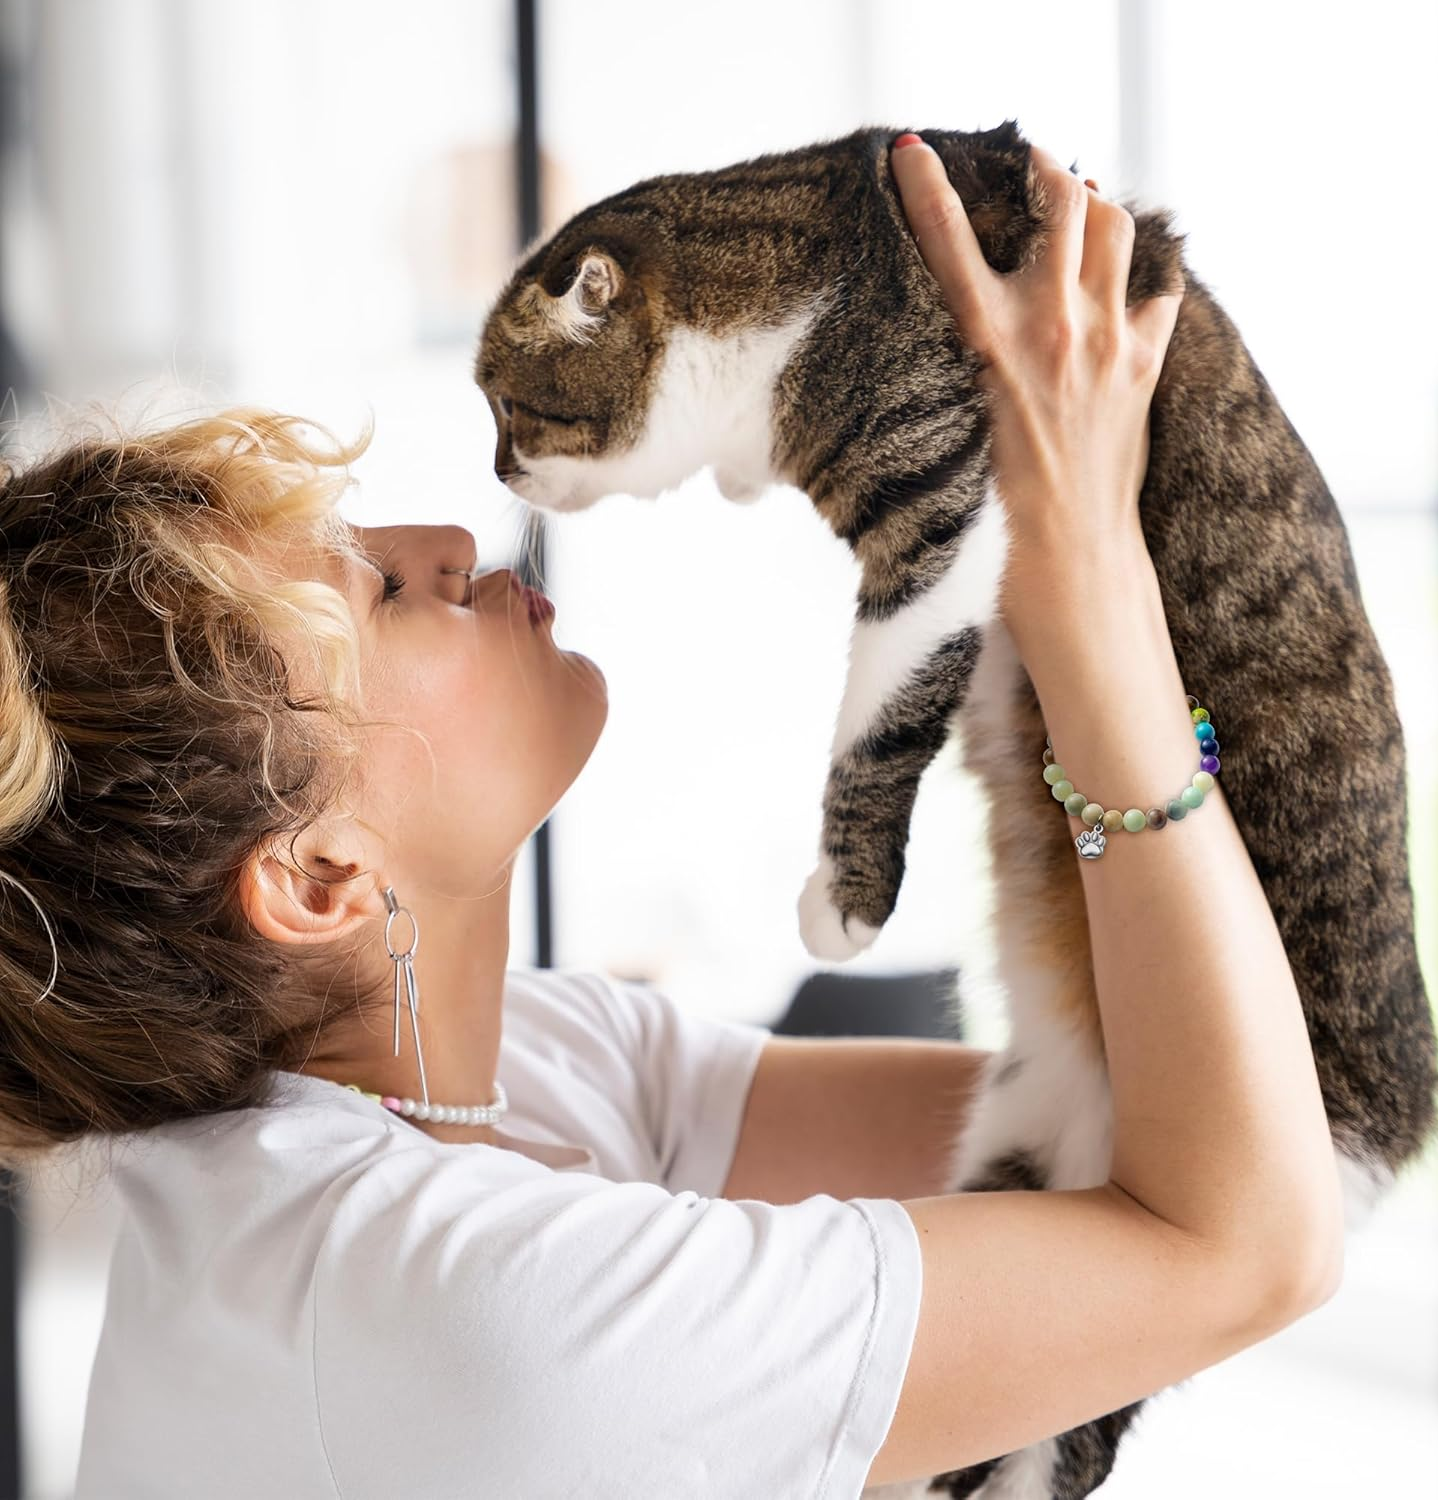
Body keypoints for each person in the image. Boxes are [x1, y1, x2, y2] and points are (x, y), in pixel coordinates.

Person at [0, 135, 1342, 1498]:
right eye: (376, 594)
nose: (447, 547)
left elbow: (1162, 1138)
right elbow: (1245, 1243)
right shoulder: (469, 1313)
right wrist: (1079, 568)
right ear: (319, 881)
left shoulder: (521, 1067)